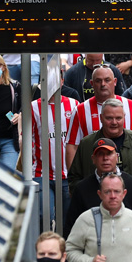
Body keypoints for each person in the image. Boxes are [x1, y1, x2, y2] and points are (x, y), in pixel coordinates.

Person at [64, 137, 132, 240]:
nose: (105, 158)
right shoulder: (82, 189)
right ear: (93, 159)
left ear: (116, 157)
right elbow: (71, 227)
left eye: (109, 154)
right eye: (100, 154)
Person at [69, 99, 132, 193]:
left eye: (118, 118)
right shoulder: (87, 144)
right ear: (101, 118)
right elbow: (74, 177)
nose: (114, 122)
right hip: (96, 203)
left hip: (131, 202)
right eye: (109, 118)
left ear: (124, 117)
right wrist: (85, 194)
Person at [66, 66, 132, 157]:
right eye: (98, 81)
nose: (103, 84)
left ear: (115, 82)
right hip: (92, 169)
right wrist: (73, 171)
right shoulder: (80, 110)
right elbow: (72, 145)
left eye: (107, 80)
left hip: (129, 168)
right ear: (92, 83)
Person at [31, 90, 79, 227]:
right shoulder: (33, 107)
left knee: (66, 219)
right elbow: (26, 137)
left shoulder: (74, 104)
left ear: (62, 80)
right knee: (43, 215)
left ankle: (61, 247)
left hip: (67, 174)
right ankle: (41, 246)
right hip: (41, 173)